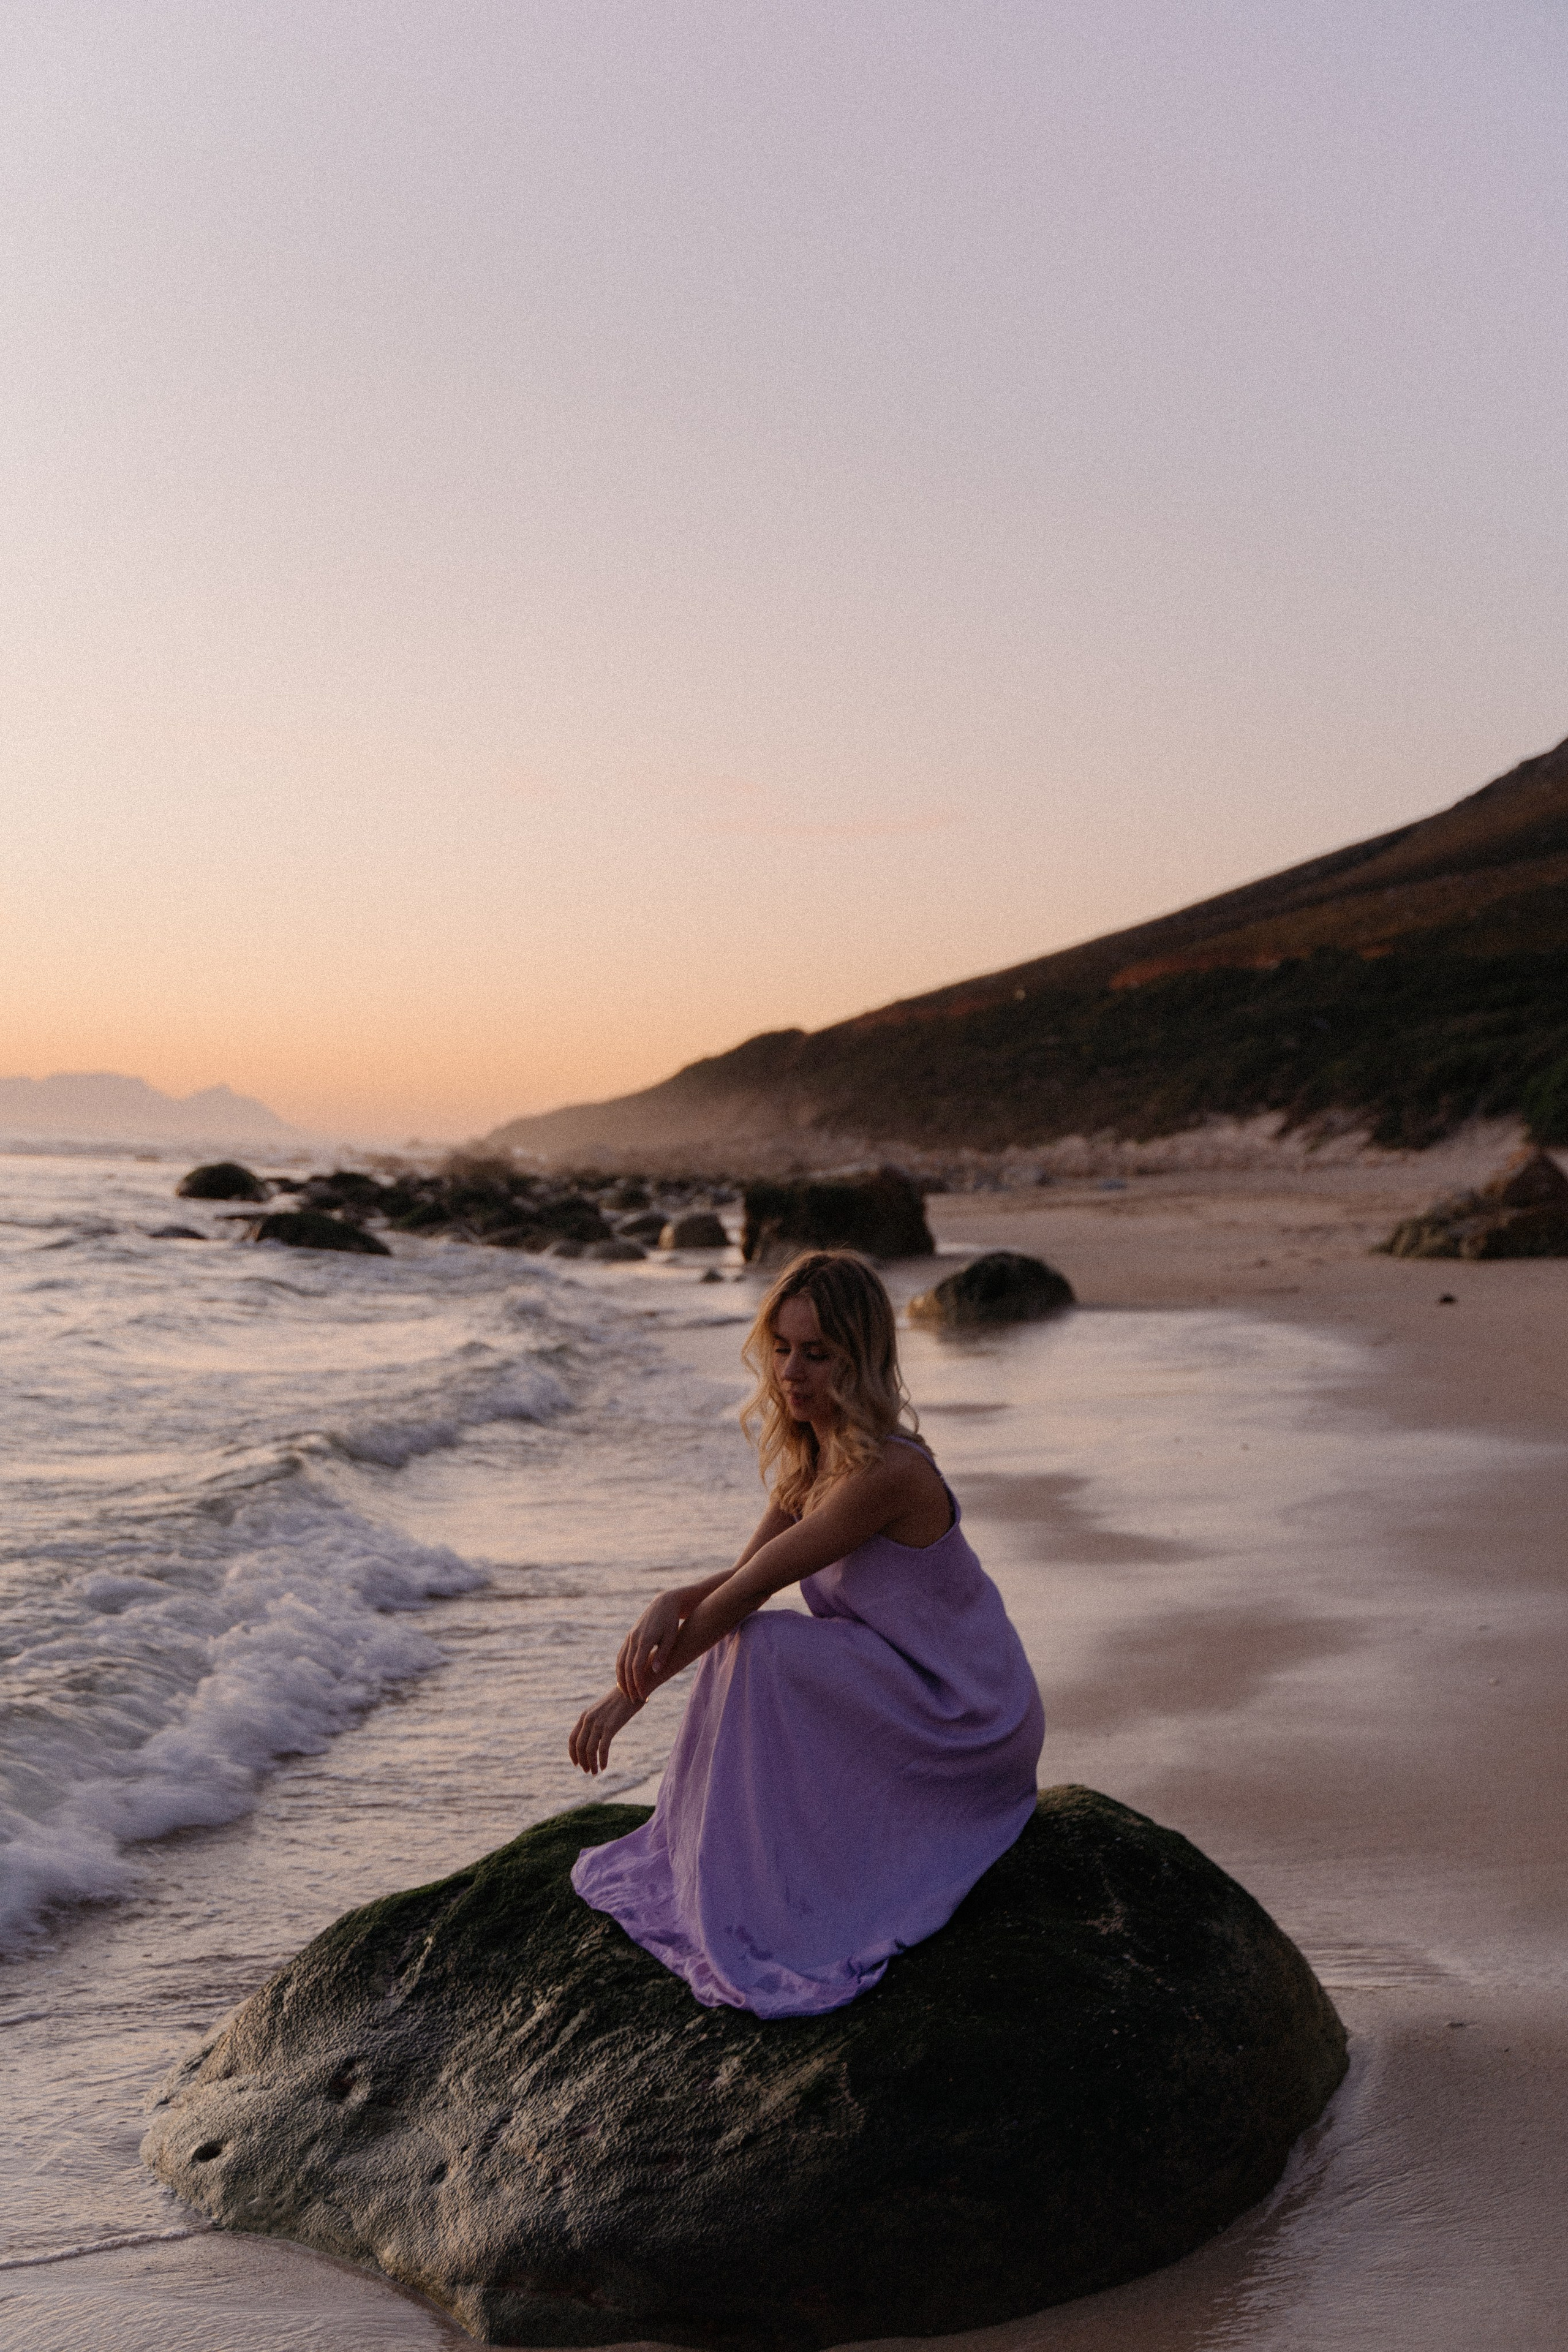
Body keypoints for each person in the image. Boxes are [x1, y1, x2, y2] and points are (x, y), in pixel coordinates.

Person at [567, 1249, 1044, 2017]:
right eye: (782, 1348)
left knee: (760, 1643)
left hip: (966, 1712)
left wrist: (627, 1699)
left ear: (860, 1359)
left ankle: (758, 1889)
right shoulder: (815, 1457)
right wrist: (670, 1597)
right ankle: (730, 1859)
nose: (791, 1372)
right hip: (898, 1680)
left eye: (817, 1353)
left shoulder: (886, 1473)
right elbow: (744, 1573)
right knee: (752, 1640)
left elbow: (749, 1592)